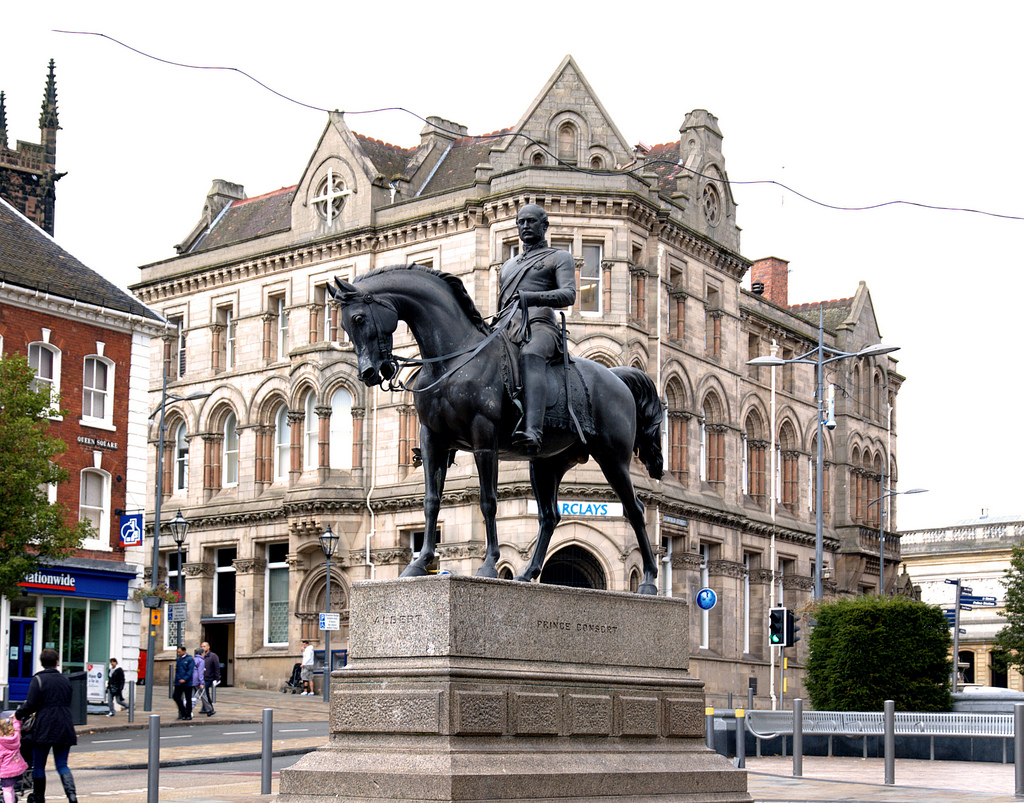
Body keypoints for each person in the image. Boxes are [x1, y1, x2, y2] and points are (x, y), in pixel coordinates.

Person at [496, 203, 577, 453]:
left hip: (541, 324)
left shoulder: (558, 257)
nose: (525, 226)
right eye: (521, 222)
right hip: (507, 325)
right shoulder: (508, 266)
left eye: (531, 221)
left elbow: (568, 294)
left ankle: (533, 429)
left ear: (545, 226)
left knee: (531, 354)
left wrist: (533, 297)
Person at [16, 648, 78, 803]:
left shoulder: (38, 680)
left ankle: (38, 797)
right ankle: (72, 795)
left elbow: (31, 704)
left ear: (41, 662)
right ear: (57, 662)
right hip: (64, 724)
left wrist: (17, 715)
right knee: (62, 764)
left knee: (39, 764)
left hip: (44, 726)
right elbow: (68, 701)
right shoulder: (65, 680)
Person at [0, 717, 28, 803]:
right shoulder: (16, 738)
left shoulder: (1, 743)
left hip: (6, 771)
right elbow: (17, 727)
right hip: (17, 768)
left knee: (6, 789)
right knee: (11, 787)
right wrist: (16, 719)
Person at [199, 642, 220, 717]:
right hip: (201, 678)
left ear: (208, 647)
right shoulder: (200, 656)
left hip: (209, 677)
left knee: (205, 692)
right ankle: (205, 707)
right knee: (204, 693)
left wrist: (217, 677)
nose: (203, 648)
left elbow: (216, 667)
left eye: (204, 646)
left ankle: (209, 708)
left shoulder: (213, 656)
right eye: (201, 646)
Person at [172, 647, 194, 721]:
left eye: (180, 652)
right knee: (176, 696)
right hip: (179, 682)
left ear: (184, 651)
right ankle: (183, 710)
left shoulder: (190, 659)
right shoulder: (179, 659)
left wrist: (185, 679)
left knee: (188, 698)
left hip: (187, 683)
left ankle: (188, 714)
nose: (178, 654)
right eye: (178, 652)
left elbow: (190, 671)